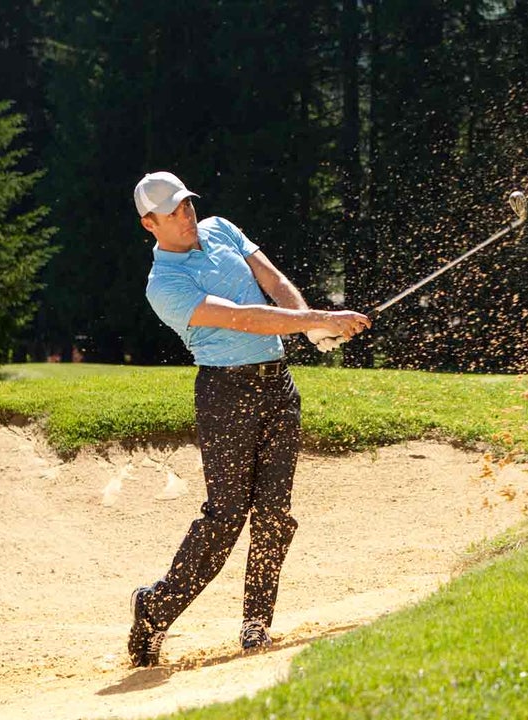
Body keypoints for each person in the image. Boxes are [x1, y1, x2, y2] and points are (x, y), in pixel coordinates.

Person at [127, 171, 370, 667]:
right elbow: (243, 317)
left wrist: (308, 326)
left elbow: (273, 283)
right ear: (149, 223)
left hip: (277, 385)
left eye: (187, 205)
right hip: (225, 394)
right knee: (226, 517)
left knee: (274, 513)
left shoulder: (221, 229)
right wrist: (318, 321)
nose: (186, 215)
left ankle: (256, 623)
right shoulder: (165, 284)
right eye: (172, 212)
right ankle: (154, 610)